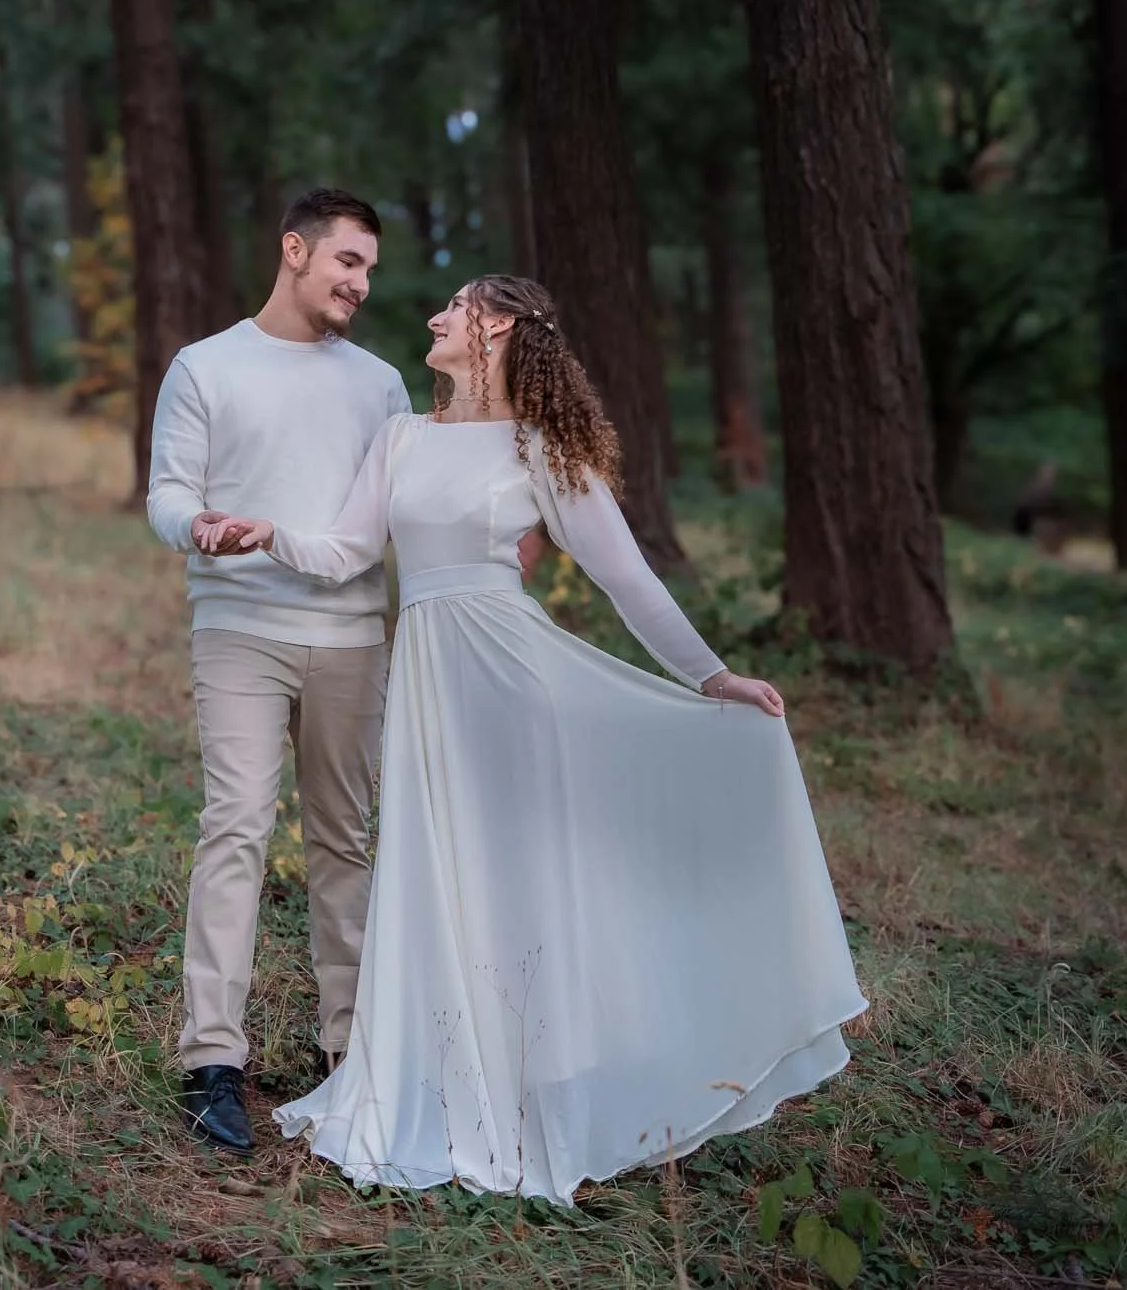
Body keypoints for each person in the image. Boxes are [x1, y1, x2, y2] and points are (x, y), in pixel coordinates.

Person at [203, 274, 867, 1203]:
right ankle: (442, 1077)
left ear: (499, 325)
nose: (433, 317)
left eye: (455, 307)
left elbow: (627, 579)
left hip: (512, 683)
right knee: (440, 868)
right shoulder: (402, 438)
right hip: (428, 681)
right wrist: (267, 532)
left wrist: (710, 676)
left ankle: (541, 1080)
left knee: (517, 872)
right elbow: (347, 551)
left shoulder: (540, 448)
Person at [145, 190, 545, 1154]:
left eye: (369, 269)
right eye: (349, 263)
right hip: (237, 628)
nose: (363, 285)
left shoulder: (377, 386)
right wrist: (195, 526)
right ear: (295, 250)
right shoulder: (205, 366)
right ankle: (211, 1063)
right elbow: (166, 491)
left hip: (354, 638)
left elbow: (401, 511)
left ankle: (353, 1051)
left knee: (345, 840)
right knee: (235, 824)